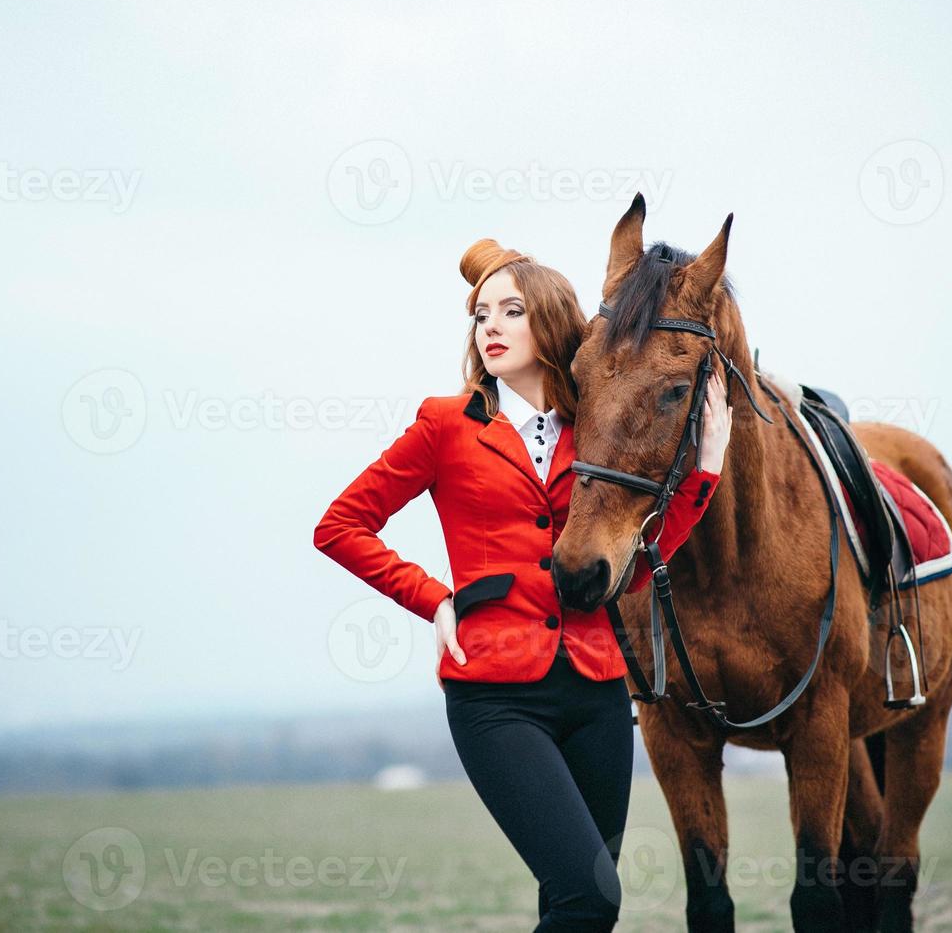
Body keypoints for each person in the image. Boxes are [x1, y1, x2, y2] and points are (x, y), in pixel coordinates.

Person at [312, 239, 733, 931]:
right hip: (495, 699)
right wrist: (432, 598)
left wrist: (705, 469)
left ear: (552, 321)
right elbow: (341, 526)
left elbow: (639, 555)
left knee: (578, 911)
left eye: (511, 311)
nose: (491, 328)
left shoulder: (594, 431)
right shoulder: (443, 426)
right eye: (482, 315)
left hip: (597, 692)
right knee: (589, 896)